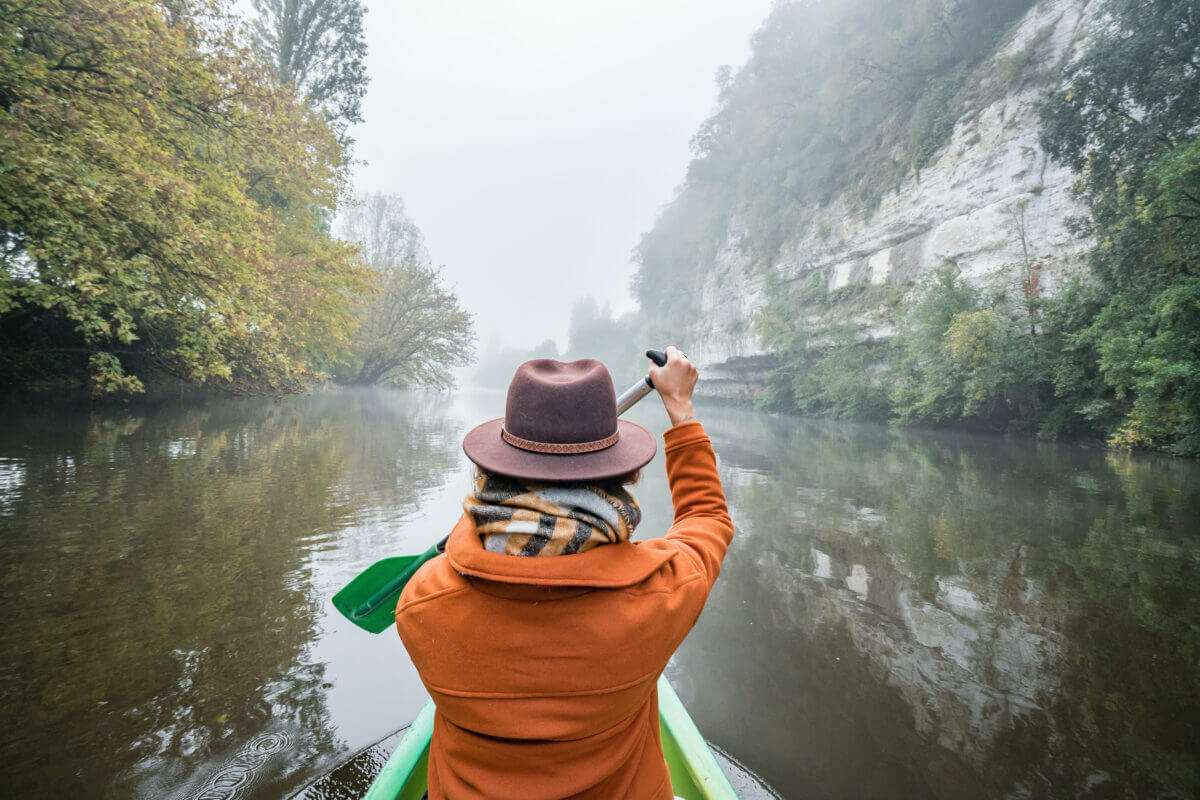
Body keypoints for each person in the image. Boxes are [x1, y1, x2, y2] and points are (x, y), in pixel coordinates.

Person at [394, 346, 733, 800]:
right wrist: (680, 408)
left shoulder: (421, 604)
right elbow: (706, 518)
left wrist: (478, 513)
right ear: (624, 475)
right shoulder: (661, 595)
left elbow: (473, 544)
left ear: (492, 475)